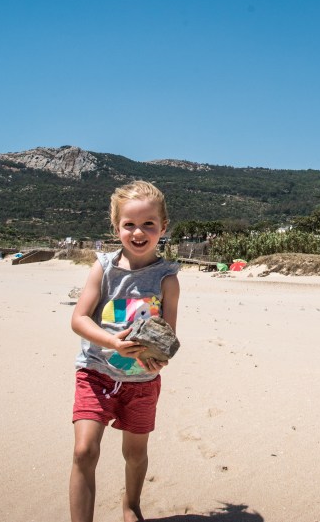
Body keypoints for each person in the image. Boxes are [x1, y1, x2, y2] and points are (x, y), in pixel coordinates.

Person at [69, 181, 181, 522]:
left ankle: (131, 505)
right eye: (129, 224)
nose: (138, 232)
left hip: (141, 382)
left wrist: (158, 361)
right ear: (116, 227)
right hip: (95, 373)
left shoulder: (167, 279)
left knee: (135, 454)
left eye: (149, 224)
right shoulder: (104, 268)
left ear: (163, 227)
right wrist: (113, 344)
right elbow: (79, 319)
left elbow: (168, 337)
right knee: (84, 451)